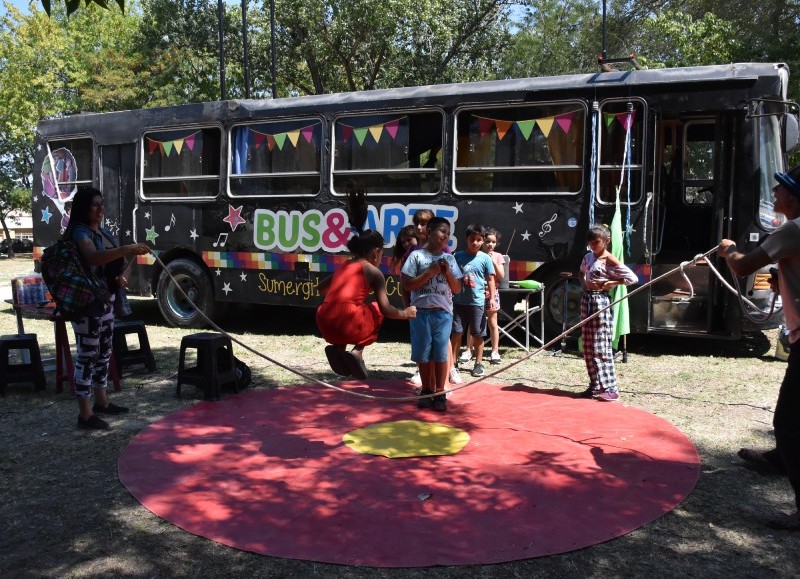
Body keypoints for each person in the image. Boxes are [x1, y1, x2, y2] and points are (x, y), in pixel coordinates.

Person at [720, 165, 800, 531]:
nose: (775, 193)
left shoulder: (793, 229)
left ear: (795, 197)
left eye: (781, 189)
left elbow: (743, 267)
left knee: (787, 421)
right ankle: (781, 458)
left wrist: (730, 249)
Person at [66, 187, 150, 430]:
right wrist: (127, 248)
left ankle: (101, 402)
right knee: (87, 355)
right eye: (95, 205)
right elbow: (92, 258)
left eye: (102, 204)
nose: (101, 209)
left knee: (104, 351)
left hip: (105, 300)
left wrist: (124, 275)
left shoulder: (101, 232)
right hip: (86, 304)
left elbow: (122, 263)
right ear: (83, 207)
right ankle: (85, 414)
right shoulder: (80, 233)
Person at [317, 189, 417, 380]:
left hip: (325, 318)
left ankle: (338, 348)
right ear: (376, 252)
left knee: (351, 310)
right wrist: (406, 313)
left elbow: (321, 288)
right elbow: (386, 310)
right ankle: (358, 352)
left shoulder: (345, 264)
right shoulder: (374, 272)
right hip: (349, 320)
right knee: (375, 309)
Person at [401, 216, 463, 411]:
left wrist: (446, 273)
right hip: (421, 313)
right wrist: (429, 273)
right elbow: (408, 284)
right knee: (423, 353)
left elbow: (457, 288)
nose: (446, 236)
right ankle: (427, 390)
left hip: (443, 314)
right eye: (442, 231)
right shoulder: (416, 256)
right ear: (429, 232)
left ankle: (439, 392)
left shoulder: (450, 259)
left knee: (440, 353)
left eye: (448, 233)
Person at [578, 224, 638, 402]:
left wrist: (612, 283)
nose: (593, 246)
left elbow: (631, 278)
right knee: (588, 346)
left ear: (606, 241)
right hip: (587, 300)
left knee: (600, 345)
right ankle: (595, 385)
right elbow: (581, 273)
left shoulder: (609, 259)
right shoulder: (588, 257)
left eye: (596, 242)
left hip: (600, 302)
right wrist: (583, 287)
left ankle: (610, 388)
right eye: (590, 242)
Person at [451, 224, 496, 378]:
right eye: (472, 239)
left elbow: (490, 279)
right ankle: (452, 362)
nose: (475, 243)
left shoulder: (485, 258)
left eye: (478, 240)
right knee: (456, 332)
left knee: (478, 333)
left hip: (477, 302)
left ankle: (478, 362)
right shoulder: (457, 256)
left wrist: (491, 298)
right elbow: (452, 276)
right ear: (466, 239)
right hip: (458, 302)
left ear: (483, 241)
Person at [483, 227, 505, 364]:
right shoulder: (478, 254)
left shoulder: (498, 256)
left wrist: (494, 262)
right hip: (478, 291)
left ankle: (495, 351)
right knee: (475, 322)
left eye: (493, 242)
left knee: (492, 322)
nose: (490, 245)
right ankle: (468, 349)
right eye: (487, 241)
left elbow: (501, 276)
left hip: (492, 292)